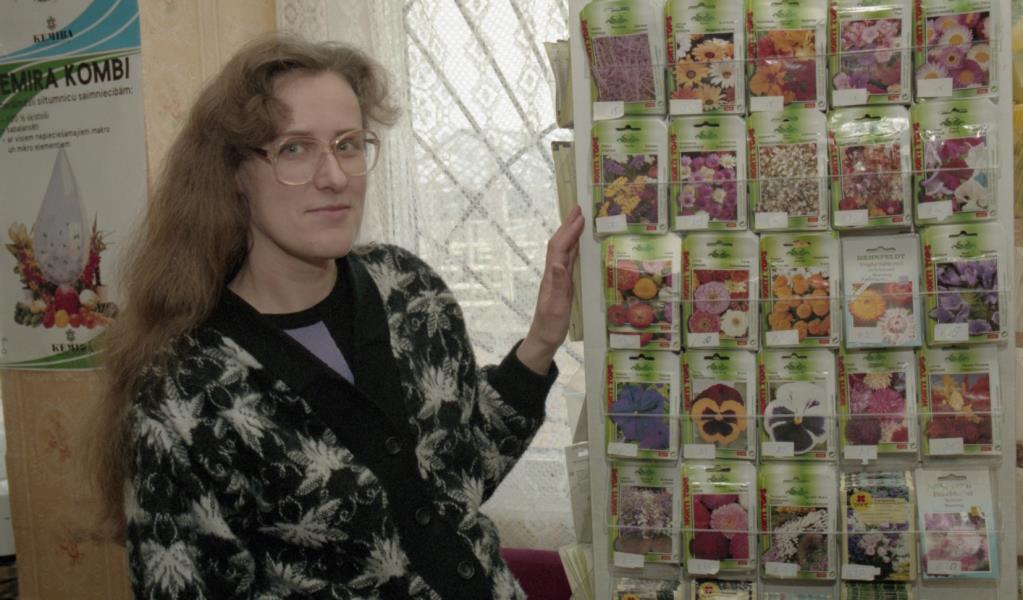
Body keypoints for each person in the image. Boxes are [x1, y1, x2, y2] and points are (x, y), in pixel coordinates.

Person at [93, 34, 584, 599]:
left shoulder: (409, 290)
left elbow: (455, 482)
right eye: (294, 149)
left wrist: (541, 341)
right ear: (232, 172)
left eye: (348, 144)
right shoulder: (184, 393)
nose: (334, 176)